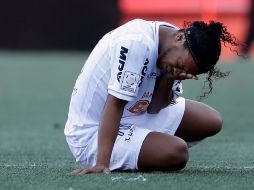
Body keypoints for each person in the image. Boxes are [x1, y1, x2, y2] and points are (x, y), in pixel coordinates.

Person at [64, 19, 240, 174]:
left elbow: (155, 107)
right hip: (93, 133)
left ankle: (144, 146)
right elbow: (115, 104)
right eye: (179, 65)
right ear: (179, 38)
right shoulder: (137, 42)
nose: (179, 71)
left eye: (185, 73)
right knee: (176, 152)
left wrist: (170, 77)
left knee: (211, 120)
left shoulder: (172, 40)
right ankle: (133, 150)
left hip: (130, 113)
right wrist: (102, 163)